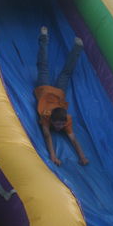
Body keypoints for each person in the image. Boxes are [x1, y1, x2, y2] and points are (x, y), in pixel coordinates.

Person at [34, 26, 88, 166]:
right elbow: (47, 136)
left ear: (64, 121)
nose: (58, 128)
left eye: (60, 125)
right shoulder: (46, 117)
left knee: (47, 67)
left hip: (48, 90)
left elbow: (74, 140)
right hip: (50, 91)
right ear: (51, 120)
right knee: (53, 69)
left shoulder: (66, 120)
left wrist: (82, 157)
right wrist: (53, 156)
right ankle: (46, 39)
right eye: (57, 125)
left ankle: (75, 47)